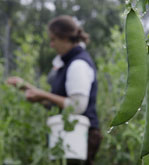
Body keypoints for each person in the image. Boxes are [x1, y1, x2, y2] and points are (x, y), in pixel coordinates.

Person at [7, 15, 102, 165]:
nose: (51, 45)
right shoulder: (67, 63)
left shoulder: (78, 64)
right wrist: (28, 88)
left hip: (81, 137)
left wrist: (42, 94)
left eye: (53, 39)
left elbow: (77, 106)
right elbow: (60, 102)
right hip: (68, 135)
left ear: (64, 38)